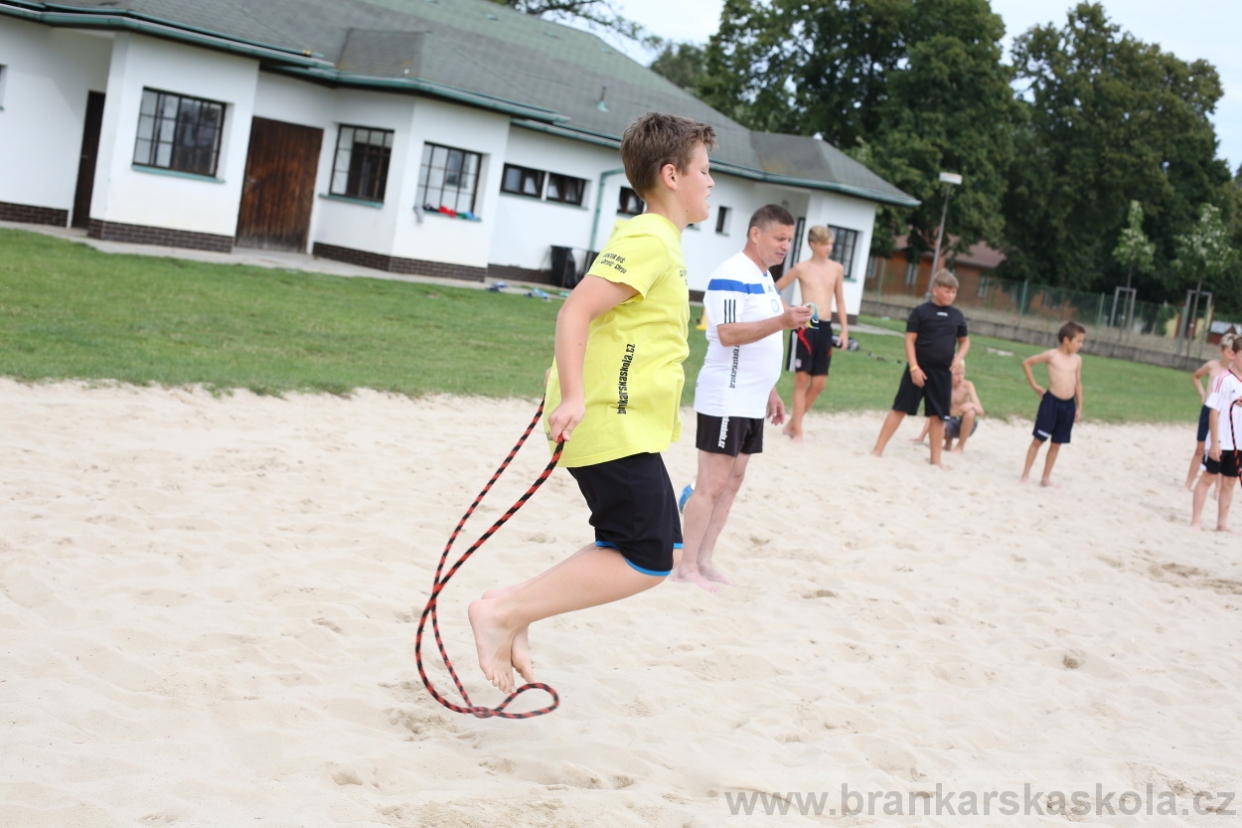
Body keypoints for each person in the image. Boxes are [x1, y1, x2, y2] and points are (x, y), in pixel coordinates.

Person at [468, 112, 718, 695]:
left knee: (646, 542)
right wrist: (575, 395)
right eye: (704, 171)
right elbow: (574, 310)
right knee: (650, 553)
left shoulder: (659, 241)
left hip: (623, 423)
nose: (711, 183)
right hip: (606, 419)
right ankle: (503, 612)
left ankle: (513, 608)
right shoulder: (649, 238)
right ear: (671, 174)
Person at [673, 206, 814, 592]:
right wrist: (784, 321)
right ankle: (686, 566)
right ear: (756, 234)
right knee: (711, 484)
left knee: (733, 481)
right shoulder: (731, 274)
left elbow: (761, 341)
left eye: (789, 239)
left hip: (752, 399)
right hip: (726, 397)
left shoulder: (765, 279)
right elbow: (729, 334)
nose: (786, 246)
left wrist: (771, 390)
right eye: (779, 238)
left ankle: (704, 559)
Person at [870, 269, 970, 468]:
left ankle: (936, 460)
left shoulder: (957, 316)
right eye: (947, 291)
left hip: (943, 373)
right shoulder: (920, 312)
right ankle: (877, 449)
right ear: (935, 290)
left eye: (954, 292)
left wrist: (959, 358)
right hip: (918, 370)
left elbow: (965, 341)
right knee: (899, 408)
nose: (951, 295)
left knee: (938, 416)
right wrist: (914, 367)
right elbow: (909, 340)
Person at [773, 225, 850, 442]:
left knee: (819, 383)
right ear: (813, 244)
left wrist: (845, 329)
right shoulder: (801, 268)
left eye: (831, 244)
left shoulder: (837, 269)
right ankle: (798, 429)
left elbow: (841, 301)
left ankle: (792, 424)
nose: (829, 248)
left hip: (825, 327)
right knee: (801, 380)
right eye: (825, 243)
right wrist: (789, 310)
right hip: (805, 326)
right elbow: (773, 288)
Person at [1020, 321, 1086, 487]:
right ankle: (1025, 474)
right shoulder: (1052, 355)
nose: (1081, 345)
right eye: (1078, 341)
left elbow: (1078, 383)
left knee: (1056, 443)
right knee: (1038, 440)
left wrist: (1079, 407)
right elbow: (1027, 363)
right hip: (1051, 403)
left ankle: (1045, 478)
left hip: (1068, 406)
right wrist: (1034, 385)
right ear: (1066, 340)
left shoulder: (1077, 360)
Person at [1191, 336, 1242, 530]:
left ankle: (1222, 523)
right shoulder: (1223, 380)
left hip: (1239, 443)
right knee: (1208, 478)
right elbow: (1214, 410)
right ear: (1233, 355)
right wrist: (1216, 442)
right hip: (1221, 440)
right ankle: (1196, 520)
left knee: (1230, 481)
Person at [1186, 333, 1235, 491]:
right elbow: (1196, 376)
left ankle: (1217, 489)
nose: (1231, 355)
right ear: (1221, 351)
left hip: (1225, 413)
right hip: (1209, 409)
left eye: (1233, 352)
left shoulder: (1234, 372)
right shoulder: (1212, 365)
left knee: (1222, 449)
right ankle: (1188, 484)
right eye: (1228, 351)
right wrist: (1203, 394)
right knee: (1200, 448)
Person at [913, 360, 985, 453]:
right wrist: (922, 436)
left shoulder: (968, 386)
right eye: (956, 374)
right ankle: (948, 441)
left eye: (962, 373)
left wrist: (972, 405)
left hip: (965, 423)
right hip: (949, 421)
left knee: (971, 412)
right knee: (938, 422)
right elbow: (934, 412)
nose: (960, 377)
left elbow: (981, 411)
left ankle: (960, 447)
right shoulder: (944, 387)